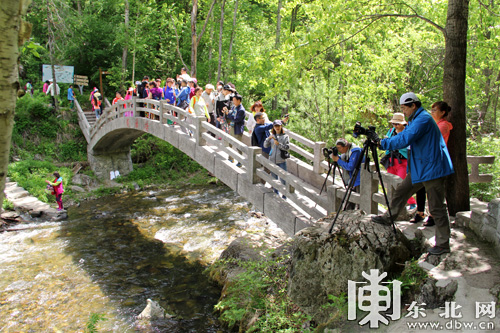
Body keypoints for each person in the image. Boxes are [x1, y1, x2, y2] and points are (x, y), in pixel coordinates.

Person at [369, 92, 454, 256]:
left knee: (437, 207)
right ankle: (389, 217)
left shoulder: (423, 119)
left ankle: (443, 243)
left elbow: (405, 138)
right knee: (402, 190)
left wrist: (381, 142)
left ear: (413, 105)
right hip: (422, 167)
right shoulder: (417, 119)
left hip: (432, 168)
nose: (403, 111)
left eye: (404, 108)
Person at [412, 101, 453, 226]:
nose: (432, 112)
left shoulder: (444, 125)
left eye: (435, 110)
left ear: (443, 112)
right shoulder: (433, 124)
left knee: (433, 191)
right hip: (425, 161)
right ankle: (420, 212)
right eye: (432, 110)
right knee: (420, 187)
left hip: (435, 162)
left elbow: (430, 138)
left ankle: (433, 215)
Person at [381, 113, 417, 208]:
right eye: (394, 124)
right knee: (391, 184)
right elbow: (387, 143)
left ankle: (411, 202)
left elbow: (407, 147)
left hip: (402, 161)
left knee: (401, 183)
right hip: (391, 160)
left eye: (397, 124)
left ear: (403, 124)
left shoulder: (407, 132)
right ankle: (393, 205)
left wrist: (396, 144)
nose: (395, 126)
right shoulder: (391, 131)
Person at [329, 138, 364, 209]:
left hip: (359, 178)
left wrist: (338, 160)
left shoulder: (355, 151)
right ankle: (348, 212)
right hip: (353, 178)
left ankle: (360, 214)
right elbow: (344, 160)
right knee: (350, 198)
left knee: (360, 200)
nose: (339, 150)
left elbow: (350, 166)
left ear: (345, 146)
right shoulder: (348, 151)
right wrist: (334, 156)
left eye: (339, 148)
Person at [264, 120, 290, 199]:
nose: (277, 128)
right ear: (273, 127)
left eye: (278, 126)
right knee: (274, 179)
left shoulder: (285, 136)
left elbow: (287, 147)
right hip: (272, 160)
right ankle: (276, 193)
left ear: (281, 126)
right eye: (275, 126)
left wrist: (279, 144)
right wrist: (268, 139)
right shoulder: (272, 136)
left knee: (283, 179)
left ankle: (284, 195)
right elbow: (265, 146)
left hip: (281, 160)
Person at [224, 93, 246, 166]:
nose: (233, 102)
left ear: (239, 100)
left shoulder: (241, 110)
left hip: (237, 129)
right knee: (230, 142)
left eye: (234, 100)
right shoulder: (234, 107)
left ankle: (240, 161)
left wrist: (228, 114)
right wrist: (227, 112)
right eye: (233, 100)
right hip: (232, 127)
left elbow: (236, 119)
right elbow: (231, 115)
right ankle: (230, 158)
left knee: (238, 145)